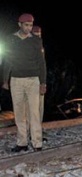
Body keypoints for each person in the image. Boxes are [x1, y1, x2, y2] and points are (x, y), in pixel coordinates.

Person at [2, 13, 47, 152]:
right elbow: (8, 60)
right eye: (26, 25)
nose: (29, 28)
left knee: (34, 112)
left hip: (33, 80)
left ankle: (37, 143)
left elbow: (41, 63)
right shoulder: (11, 40)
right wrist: (5, 79)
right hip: (16, 80)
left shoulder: (35, 41)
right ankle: (22, 142)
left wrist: (43, 83)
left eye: (31, 25)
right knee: (19, 113)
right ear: (19, 24)